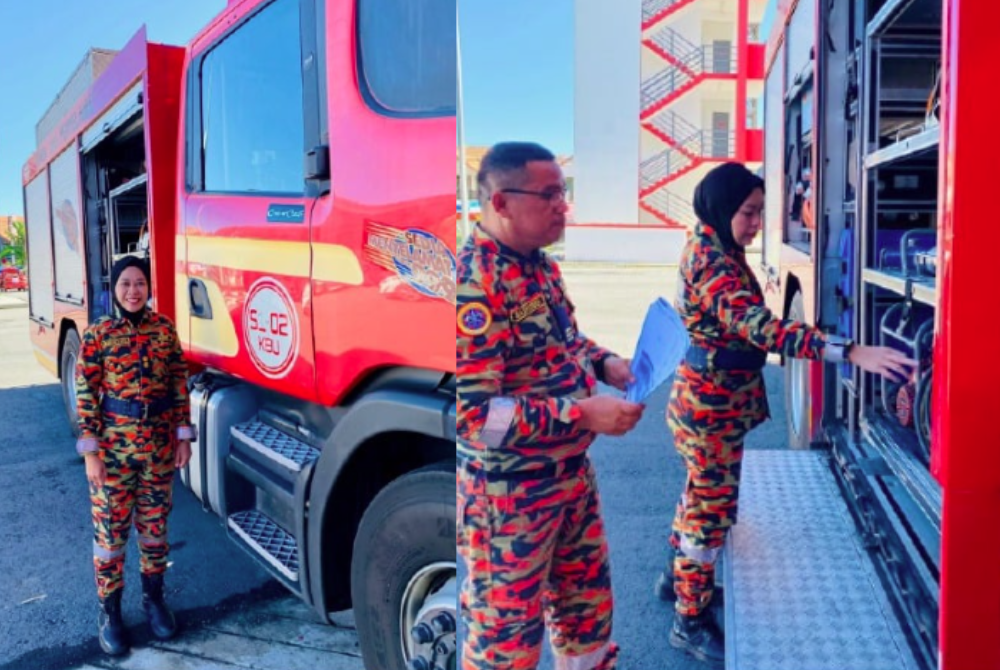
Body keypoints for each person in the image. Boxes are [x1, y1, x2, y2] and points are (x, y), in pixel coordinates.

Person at [656, 162, 916, 663]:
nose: (756, 224)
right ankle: (688, 620)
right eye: (748, 213)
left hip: (712, 404)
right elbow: (761, 328)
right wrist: (849, 350)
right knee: (707, 517)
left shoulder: (716, 247)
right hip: (709, 409)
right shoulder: (712, 262)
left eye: (759, 213)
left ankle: (679, 581)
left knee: (701, 498)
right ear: (720, 207)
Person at [457, 142, 645, 670]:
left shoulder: (535, 269)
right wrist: (583, 414)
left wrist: (606, 363)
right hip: (511, 499)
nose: (563, 206)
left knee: (585, 619)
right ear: (500, 203)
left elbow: (560, 342)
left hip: (568, 480)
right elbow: (478, 423)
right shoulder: (474, 288)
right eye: (548, 195)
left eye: (562, 192)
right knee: (506, 645)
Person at [75, 255, 194, 656]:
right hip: (113, 454)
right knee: (110, 537)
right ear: (114, 288)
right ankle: (110, 613)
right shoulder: (99, 334)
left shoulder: (164, 330)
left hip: (158, 450)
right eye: (125, 283)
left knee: (155, 531)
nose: (132, 290)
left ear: (148, 286)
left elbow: (179, 383)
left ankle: (154, 601)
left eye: (139, 282)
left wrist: (183, 436)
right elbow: (87, 394)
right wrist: (90, 452)